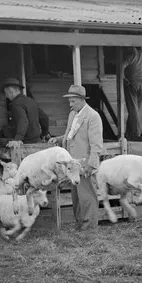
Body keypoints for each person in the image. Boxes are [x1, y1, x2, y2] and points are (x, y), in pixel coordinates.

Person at [48, 84, 104, 231]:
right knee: (76, 196)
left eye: (73, 101)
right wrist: (59, 139)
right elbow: (71, 135)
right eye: (69, 101)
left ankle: (90, 226)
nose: (70, 104)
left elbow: (96, 144)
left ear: (81, 100)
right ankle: (80, 224)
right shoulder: (73, 114)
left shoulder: (93, 116)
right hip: (72, 164)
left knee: (87, 196)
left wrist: (91, 164)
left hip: (84, 163)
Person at [0, 77, 51, 143]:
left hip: (25, 142)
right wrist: (44, 133)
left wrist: (17, 139)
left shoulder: (16, 104)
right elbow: (44, 118)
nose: (6, 96)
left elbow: (23, 121)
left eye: (6, 93)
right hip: (37, 140)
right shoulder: (31, 101)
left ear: (11, 92)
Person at [122, 46, 142, 139]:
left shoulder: (131, 56)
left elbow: (122, 66)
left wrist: (123, 77)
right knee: (135, 109)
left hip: (132, 83)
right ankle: (129, 133)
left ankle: (136, 133)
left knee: (133, 110)